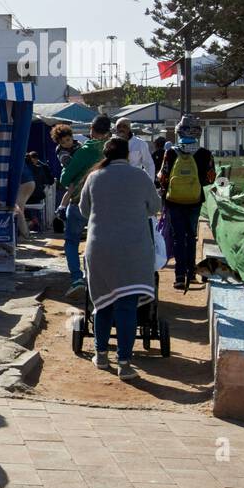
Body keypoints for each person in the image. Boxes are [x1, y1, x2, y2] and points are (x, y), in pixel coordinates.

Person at [79, 137, 162, 380]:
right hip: (134, 250)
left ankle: (101, 354)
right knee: (126, 306)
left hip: (100, 249)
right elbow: (154, 207)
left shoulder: (94, 177)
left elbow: (85, 210)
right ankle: (124, 363)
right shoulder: (140, 177)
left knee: (102, 303)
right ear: (128, 154)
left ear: (105, 154)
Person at [157, 113, 215, 290]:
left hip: (173, 201)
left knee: (177, 237)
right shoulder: (205, 154)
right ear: (199, 134)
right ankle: (191, 272)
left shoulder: (170, 152)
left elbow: (163, 177)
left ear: (178, 132)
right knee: (191, 237)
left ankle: (179, 276)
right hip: (194, 201)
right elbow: (210, 179)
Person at [58, 113, 112, 296]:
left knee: (72, 241)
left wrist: (66, 168)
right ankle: (102, 279)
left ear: (91, 129)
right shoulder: (114, 148)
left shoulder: (86, 150)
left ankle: (77, 279)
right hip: (106, 203)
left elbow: (65, 179)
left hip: (80, 202)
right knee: (101, 242)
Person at [15, 153, 36, 238]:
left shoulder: (14, 159)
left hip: (24, 183)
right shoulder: (20, 159)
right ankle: (24, 232)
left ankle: (25, 233)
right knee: (20, 209)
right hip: (29, 182)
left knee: (19, 210)